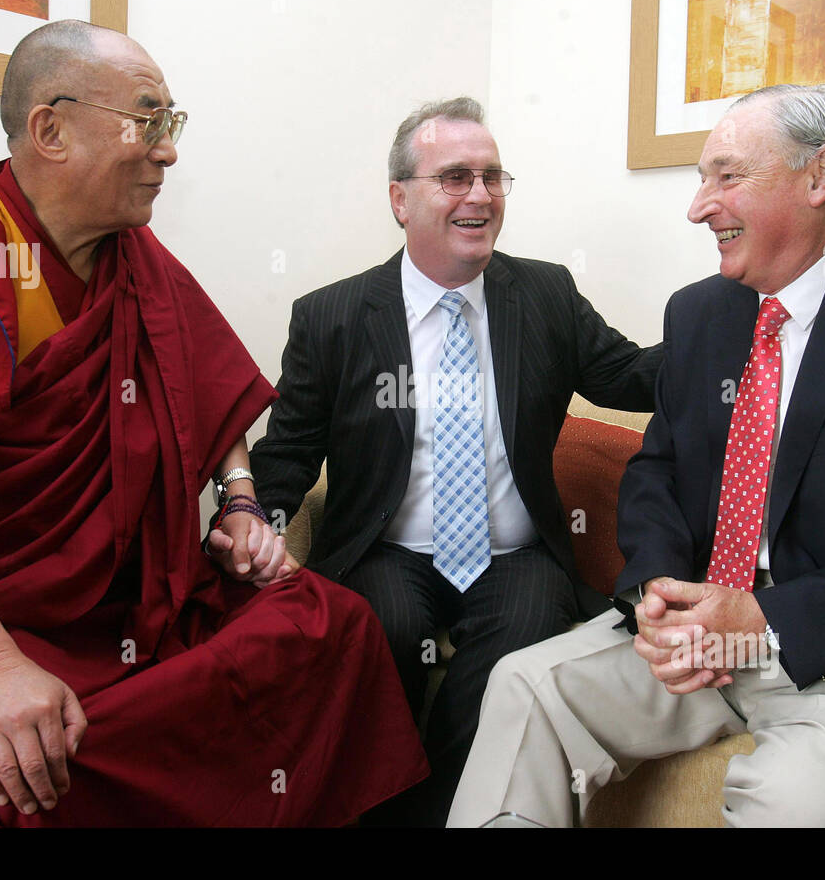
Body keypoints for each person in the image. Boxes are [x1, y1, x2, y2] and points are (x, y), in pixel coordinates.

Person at [0, 19, 427, 827]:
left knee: (333, 626)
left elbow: (206, 392)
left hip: (124, 597)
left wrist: (244, 502)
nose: (169, 151)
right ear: (51, 128)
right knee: (8, 772)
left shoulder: (129, 253)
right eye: (150, 122)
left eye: (170, 125)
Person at [447, 84, 825, 828]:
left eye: (727, 176)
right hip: (706, 637)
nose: (699, 205)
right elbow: (658, 472)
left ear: (821, 175)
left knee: (798, 799)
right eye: (703, 178)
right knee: (526, 684)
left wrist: (765, 618)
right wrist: (657, 595)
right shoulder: (701, 313)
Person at [249, 97, 662, 825]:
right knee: (387, 628)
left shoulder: (545, 293)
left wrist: (729, 327)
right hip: (390, 548)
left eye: (494, 177)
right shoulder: (335, 316)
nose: (480, 196)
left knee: (515, 656)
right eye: (456, 177)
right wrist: (252, 520)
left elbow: (627, 377)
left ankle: (436, 813)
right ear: (400, 199)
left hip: (518, 552)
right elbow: (287, 451)